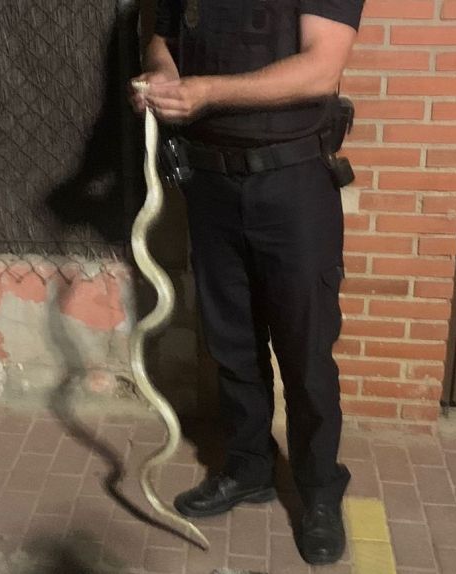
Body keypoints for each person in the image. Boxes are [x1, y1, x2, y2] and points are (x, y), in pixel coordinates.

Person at [130, 0, 363, 565]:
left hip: (293, 182)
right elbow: (162, 36)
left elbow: (321, 68)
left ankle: (319, 492)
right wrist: (162, 76)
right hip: (209, 183)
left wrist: (206, 92)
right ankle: (249, 468)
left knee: (306, 352)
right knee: (230, 344)